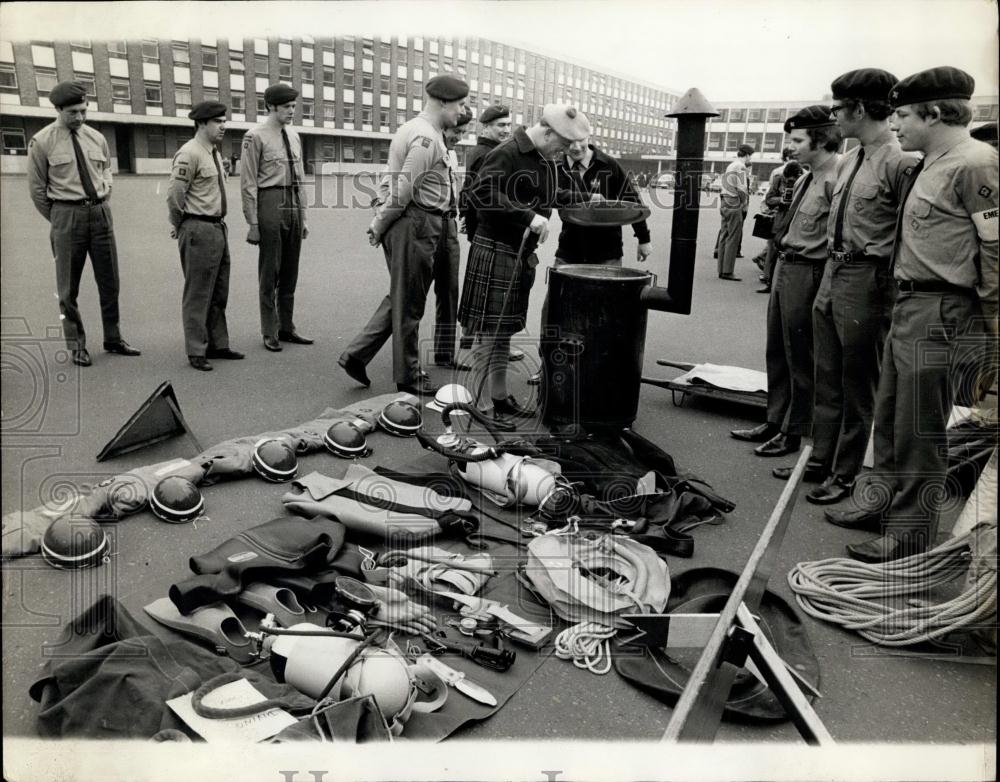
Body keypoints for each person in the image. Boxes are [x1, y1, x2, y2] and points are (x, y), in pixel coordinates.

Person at [826, 67, 998, 563]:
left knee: (921, 428)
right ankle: (882, 505)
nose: (895, 123)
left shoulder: (976, 164)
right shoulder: (930, 160)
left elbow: (995, 251)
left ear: (936, 112)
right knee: (892, 416)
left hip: (943, 307)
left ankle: (910, 534)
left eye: (902, 114)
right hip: (910, 302)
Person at [785, 69, 922, 505]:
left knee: (857, 381)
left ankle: (845, 473)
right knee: (827, 375)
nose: (835, 118)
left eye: (840, 109)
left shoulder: (900, 162)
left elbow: (908, 234)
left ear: (861, 109)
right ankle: (819, 458)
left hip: (868, 279)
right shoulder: (849, 160)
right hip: (833, 272)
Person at [338, 74, 469, 397]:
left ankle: (356, 354)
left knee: (403, 296)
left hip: (427, 223)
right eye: (460, 104)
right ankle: (407, 375)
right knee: (410, 303)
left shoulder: (422, 131)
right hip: (416, 223)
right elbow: (402, 190)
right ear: (442, 102)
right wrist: (378, 224)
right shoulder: (425, 138)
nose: (462, 111)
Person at [460, 104, 591, 419]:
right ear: (547, 131)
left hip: (516, 254)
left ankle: (500, 398)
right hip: (495, 248)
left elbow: (550, 193)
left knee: (502, 331)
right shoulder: (507, 152)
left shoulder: (543, 158)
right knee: (489, 332)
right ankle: (482, 405)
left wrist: (586, 197)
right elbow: (480, 194)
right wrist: (527, 216)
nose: (563, 151)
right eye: (561, 144)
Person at [732, 107, 842, 457]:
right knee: (777, 349)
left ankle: (793, 432)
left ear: (821, 140)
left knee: (799, 354)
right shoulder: (809, 176)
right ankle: (776, 419)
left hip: (808, 269)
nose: (790, 147)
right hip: (785, 264)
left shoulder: (834, 178)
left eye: (797, 140)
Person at [27, 81, 141, 367]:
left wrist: (105, 193)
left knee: (110, 282)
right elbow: (37, 190)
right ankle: (76, 344)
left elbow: (105, 172)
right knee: (68, 289)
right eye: (73, 112)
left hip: (100, 214)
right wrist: (59, 218)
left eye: (83, 111)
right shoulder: (42, 142)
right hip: (67, 216)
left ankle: (113, 338)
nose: (80, 117)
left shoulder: (96, 138)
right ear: (58, 109)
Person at [166, 101, 243, 371]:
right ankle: (196, 350)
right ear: (201, 123)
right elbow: (175, 195)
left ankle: (218, 344)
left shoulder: (211, 152)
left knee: (219, 291)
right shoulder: (189, 153)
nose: (223, 126)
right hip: (198, 227)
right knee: (198, 293)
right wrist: (182, 224)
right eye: (217, 121)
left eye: (224, 121)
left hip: (217, 227)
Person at [241, 83, 311, 353]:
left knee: (290, 271)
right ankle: (269, 330)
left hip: (293, 203)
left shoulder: (294, 135)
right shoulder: (254, 136)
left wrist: (303, 217)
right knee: (270, 270)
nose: (292, 111)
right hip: (269, 201)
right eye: (286, 107)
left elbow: (301, 178)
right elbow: (248, 182)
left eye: (294, 106)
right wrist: (253, 223)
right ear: (271, 106)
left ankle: (287, 327)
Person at [553, 135, 652, 265]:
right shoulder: (557, 167)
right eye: (569, 141)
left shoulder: (608, 164)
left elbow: (631, 199)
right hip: (568, 250)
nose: (576, 147)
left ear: (588, 136)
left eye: (580, 140)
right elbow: (549, 196)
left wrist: (644, 238)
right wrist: (588, 198)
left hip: (607, 252)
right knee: (562, 285)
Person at [432, 105, 475, 371]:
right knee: (408, 297)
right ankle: (361, 352)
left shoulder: (452, 153)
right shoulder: (427, 145)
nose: (459, 136)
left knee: (449, 291)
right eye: (457, 131)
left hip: (448, 226)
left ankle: (445, 354)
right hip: (424, 226)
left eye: (464, 132)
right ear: (444, 125)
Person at [715, 144, 754, 280]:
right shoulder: (741, 167)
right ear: (747, 155)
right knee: (733, 237)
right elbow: (742, 188)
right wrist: (744, 203)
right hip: (734, 201)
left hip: (725, 200)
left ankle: (721, 269)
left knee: (724, 236)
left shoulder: (730, 166)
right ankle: (728, 271)